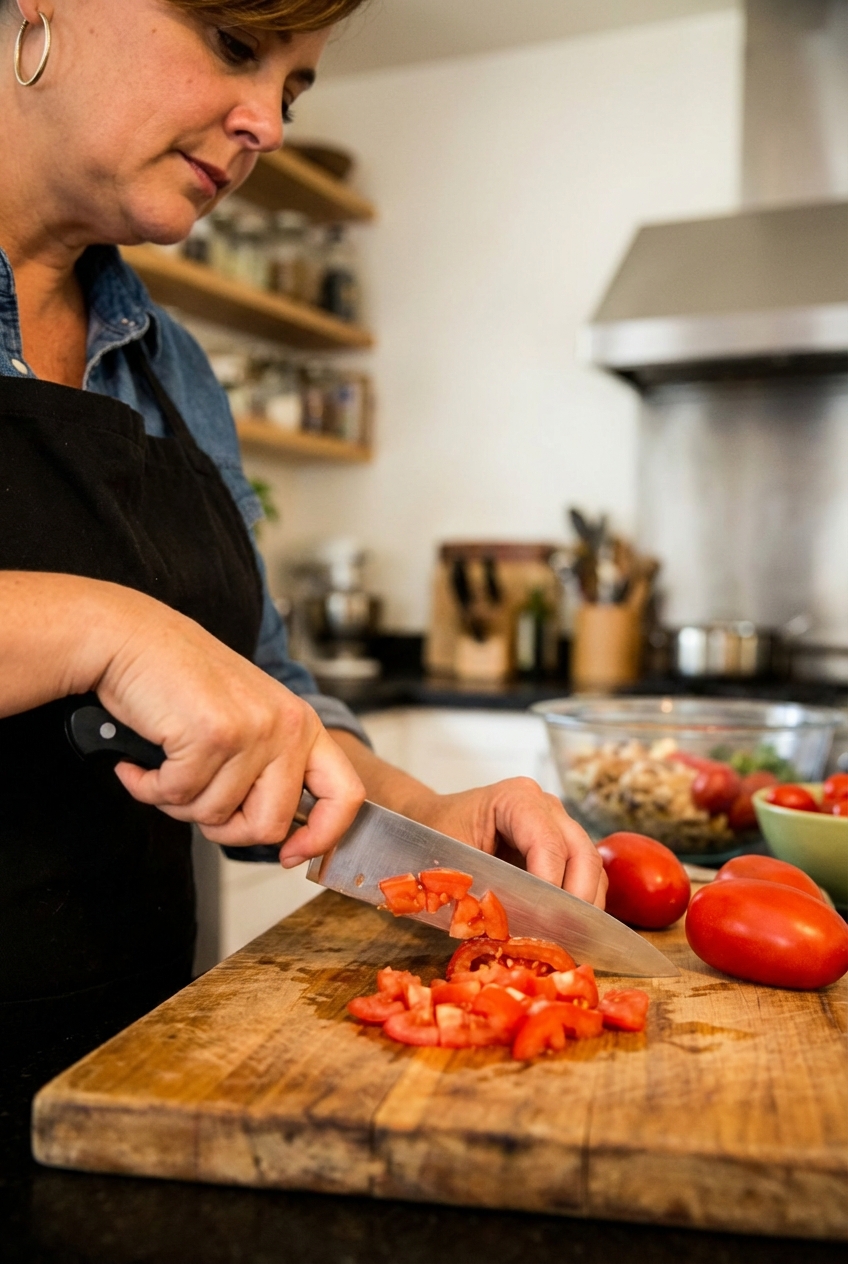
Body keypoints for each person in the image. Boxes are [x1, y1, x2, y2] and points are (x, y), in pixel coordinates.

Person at [0, 0, 606, 1042]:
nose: (267, 127)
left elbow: (263, 703)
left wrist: (423, 817)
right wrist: (106, 630)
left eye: (291, 86)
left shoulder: (172, 368)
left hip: (124, 1056)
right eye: (236, 46)